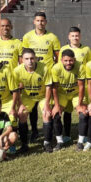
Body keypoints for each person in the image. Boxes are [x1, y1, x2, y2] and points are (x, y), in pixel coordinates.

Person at [22, 12, 61, 143]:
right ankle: (34, 131)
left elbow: (57, 57)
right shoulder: (27, 37)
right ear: (34, 22)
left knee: (48, 105)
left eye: (42, 20)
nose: (40, 23)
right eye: (38, 20)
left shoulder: (53, 37)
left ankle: (54, 132)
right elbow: (24, 57)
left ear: (46, 22)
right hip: (32, 75)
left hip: (47, 76)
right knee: (32, 107)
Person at [46, 49, 88, 152]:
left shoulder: (80, 66)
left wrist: (80, 104)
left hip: (76, 93)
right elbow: (54, 88)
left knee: (82, 114)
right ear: (61, 60)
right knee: (56, 115)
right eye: (65, 61)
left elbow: (81, 86)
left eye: (70, 60)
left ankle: (80, 142)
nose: (68, 63)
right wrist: (56, 105)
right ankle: (60, 142)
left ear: (74, 59)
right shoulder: (56, 68)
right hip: (62, 94)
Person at [14, 49, 51, 151]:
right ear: (22, 60)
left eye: (32, 58)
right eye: (26, 59)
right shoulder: (17, 71)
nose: (29, 61)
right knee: (22, 114)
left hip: (42, 96)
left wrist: (47, 104)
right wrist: (20, 104)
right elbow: (16, 89)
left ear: (35, 58)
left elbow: (48, 87)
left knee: (47, 113)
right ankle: (24, 144)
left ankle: (47, 143)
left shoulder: (44, 68)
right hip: (27, 97)